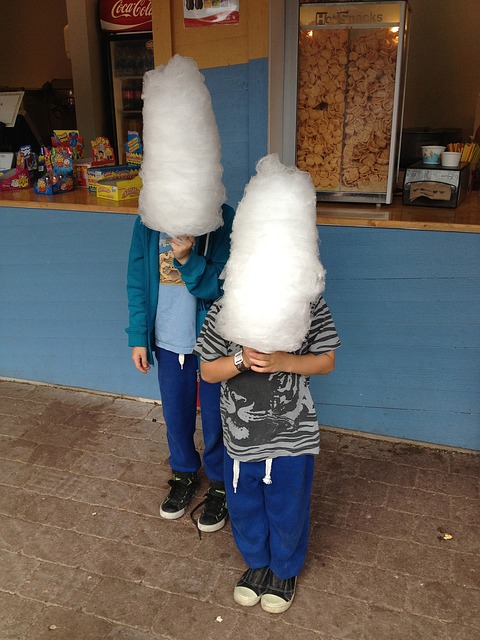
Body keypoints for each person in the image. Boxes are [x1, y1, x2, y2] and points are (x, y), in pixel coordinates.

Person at [194, 294, 340, 612]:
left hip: (292, 435)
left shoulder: (309, 305)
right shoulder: (224, 308)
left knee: (288, 506)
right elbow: (207, 371)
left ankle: (284, 570)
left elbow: (326, 359)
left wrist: (284, 361)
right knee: (244, 505)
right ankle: (257, 562)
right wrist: (241, 360)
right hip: (240, 438)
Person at [126, 202, 235, 532]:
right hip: (168, 339)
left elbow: (221, 284)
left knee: (217, 417)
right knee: (175, 412)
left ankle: (220, 483)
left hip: (214, 342)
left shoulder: (221, 219)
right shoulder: (148, 222)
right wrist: (138, 335)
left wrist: (187, 259)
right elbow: (137, 281)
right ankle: (184, 472)